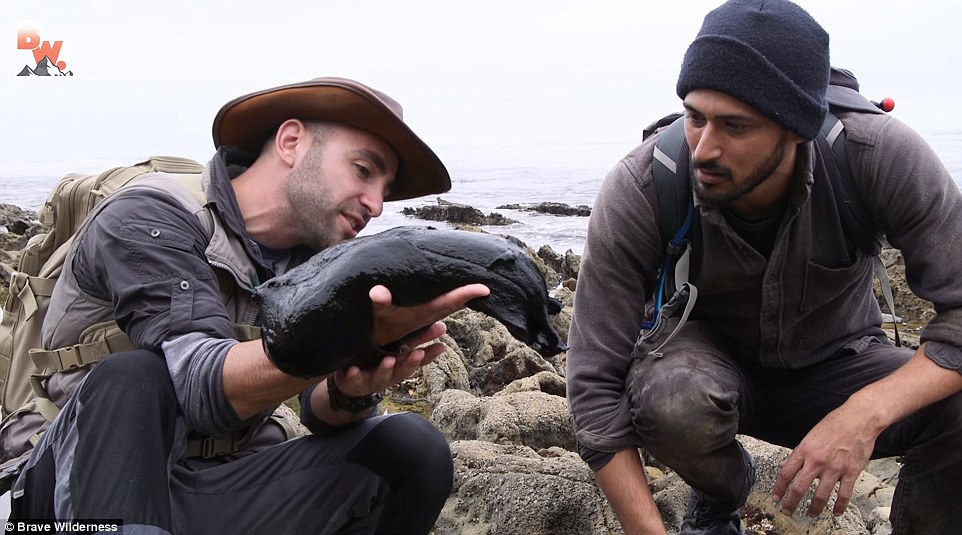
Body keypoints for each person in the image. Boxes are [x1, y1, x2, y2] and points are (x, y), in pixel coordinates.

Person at [4, 77, 490, 533]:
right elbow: (197, 387)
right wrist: (347, 334)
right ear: (291, 142)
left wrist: (349, 390)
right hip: (73, 488)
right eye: (364, 171)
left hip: (212, 485)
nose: (377, 204)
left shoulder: (318, 265)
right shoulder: (150, 215)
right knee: (137, 377)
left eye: (385, 189)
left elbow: (317, 411)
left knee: (412, 448)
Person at [565, 1, 962, 534]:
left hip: (841, 363)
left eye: (735, 125)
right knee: (673, 403)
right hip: (704, 370)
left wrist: (865, 412)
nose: (705, 148)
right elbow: (593, 387)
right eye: (695, 116)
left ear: (796, 127)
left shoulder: (877, 154)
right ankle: (720, 492)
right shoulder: (644, 185)